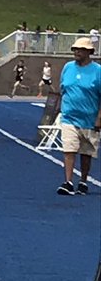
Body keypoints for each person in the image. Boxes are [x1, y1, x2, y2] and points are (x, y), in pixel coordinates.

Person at [55, 37, 101, 196]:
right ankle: (68, 181)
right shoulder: (68, 67)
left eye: (80, 49)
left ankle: (83, 180)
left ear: (89, 52)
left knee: (86, 152)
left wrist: (99, 118)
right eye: (75, 49)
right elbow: (63, 88)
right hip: (69, 117)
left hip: (89, 118)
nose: (77, 52)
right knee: (69, 149)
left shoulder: (97, 71)